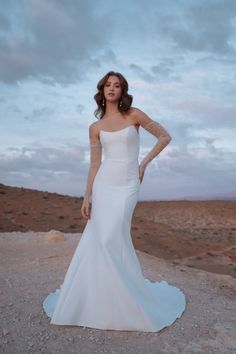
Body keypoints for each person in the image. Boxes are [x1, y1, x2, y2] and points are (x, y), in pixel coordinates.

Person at [43, 71, 186, 332]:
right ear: (102, 90)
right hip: (104, 184)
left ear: (122, 91)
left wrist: (144, 163)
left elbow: (165, 136)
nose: (112, 88)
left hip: (128, 183)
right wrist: (87, 196)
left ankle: (126, 299)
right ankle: (100, 298)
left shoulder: (135, 115)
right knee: (101, 237)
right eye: (108, 85)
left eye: (117, 85)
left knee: (113, 236)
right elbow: (95, 164)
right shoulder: (95, 128)